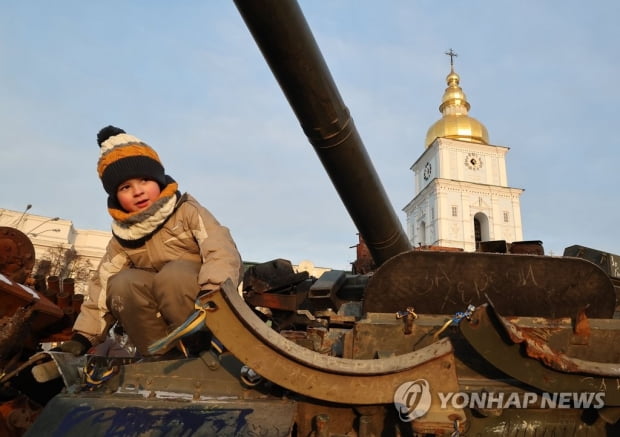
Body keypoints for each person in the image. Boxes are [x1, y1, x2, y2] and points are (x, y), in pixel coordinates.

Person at [62, 125, 242, 358]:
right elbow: (102, 286)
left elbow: (221, 251)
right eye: (126, 187)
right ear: (116, 197)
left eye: (145, 180)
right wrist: (84, 337)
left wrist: (213, 296)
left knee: (173, 275)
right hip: (158, 323)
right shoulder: (123, 237)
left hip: (202, 307)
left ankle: (203, 343)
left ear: (158, 179)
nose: (138, 191)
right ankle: (160, 358)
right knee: (122, 283)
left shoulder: (185, 211)